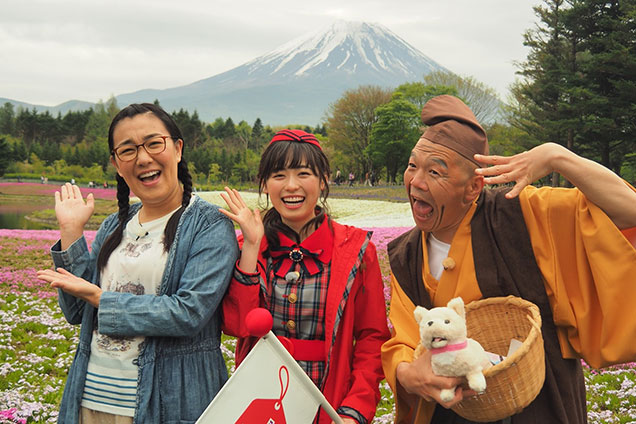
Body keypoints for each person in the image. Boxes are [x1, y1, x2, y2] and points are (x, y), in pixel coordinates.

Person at [380, 95, 636, 424]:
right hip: (449, 412)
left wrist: (556, 156)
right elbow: (403, 339)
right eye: (413, 166)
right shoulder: (407, 255)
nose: (416, 181)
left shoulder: (522, 215)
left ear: (473, 187)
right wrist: (407, 374)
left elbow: (629, 211)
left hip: (538, 407)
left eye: (435, 172)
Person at [36, 103, 239, 424]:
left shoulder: (209, 225)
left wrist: (101, 298)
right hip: (91, 400)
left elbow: (188, 314)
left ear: (177, 148)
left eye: (154, 143)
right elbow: (77, 312)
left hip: (167, 402)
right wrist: (71, 231)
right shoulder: (115, 225)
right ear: (116, 164)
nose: (143, 158)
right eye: (127, 150)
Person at [220, 129, 390, 424]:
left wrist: (355, 411)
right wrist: (250, 246)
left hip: (330, 399)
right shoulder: (253, 246)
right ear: (264, 184)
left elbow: (371, 338)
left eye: (303, 173)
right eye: (278, 175)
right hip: (263, 398)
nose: (291, 186)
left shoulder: (357, 252)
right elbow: (237, 326)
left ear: (323, 180)